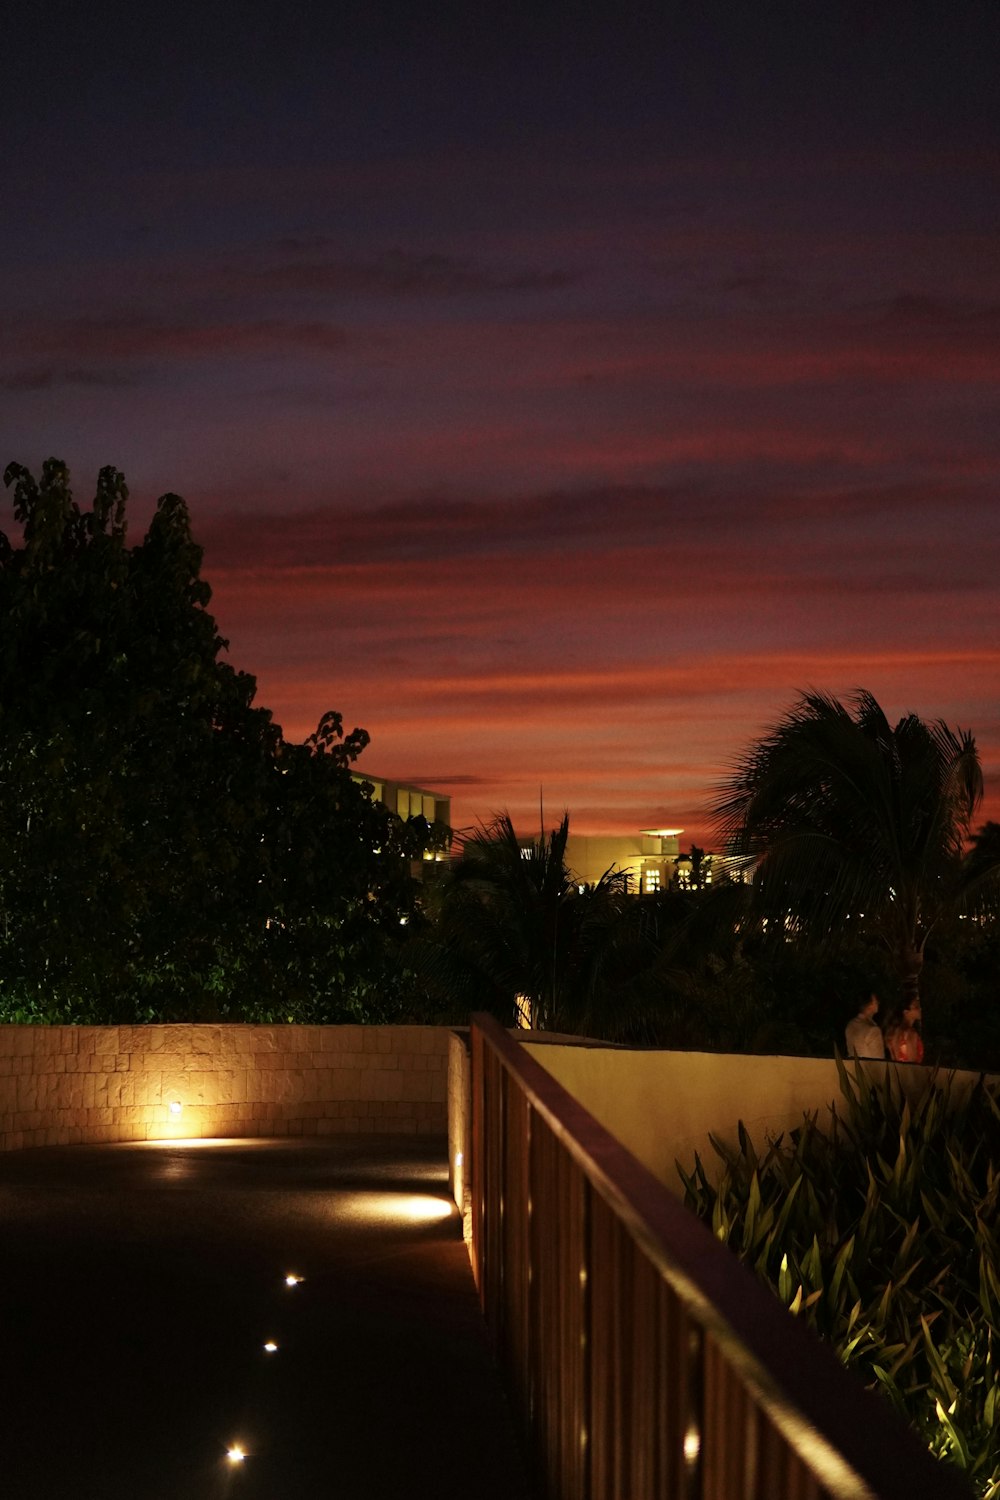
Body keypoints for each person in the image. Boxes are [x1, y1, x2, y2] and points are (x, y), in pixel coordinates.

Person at [844, 991, 885, 1059]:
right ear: (869, 1006)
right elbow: (880, 1062)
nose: (878, 1003)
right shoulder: (873, 1031)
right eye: (875, 1001)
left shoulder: (850, 1026)